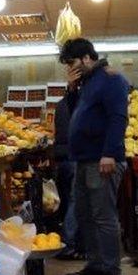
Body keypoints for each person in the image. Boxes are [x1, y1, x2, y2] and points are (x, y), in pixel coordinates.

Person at [58, 38, 129, 275]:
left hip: (102, 160)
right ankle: (96, 265)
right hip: (84, 160)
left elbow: (117, 117)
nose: (70, 68)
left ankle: (112, 272)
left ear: (87, 58)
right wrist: (72, 88)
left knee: (103, 217)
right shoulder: (86, 83)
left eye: (72, 63)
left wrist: (109, 153)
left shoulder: (111, 79)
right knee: (85, 215)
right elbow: (77, 112)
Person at [53, 97, 84, 260]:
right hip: (75, 157)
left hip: (62, 158)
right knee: (75, 200)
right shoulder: (82, 105)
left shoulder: (60, 105)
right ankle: (69, 242)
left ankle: (70, 241)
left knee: (67, 200)